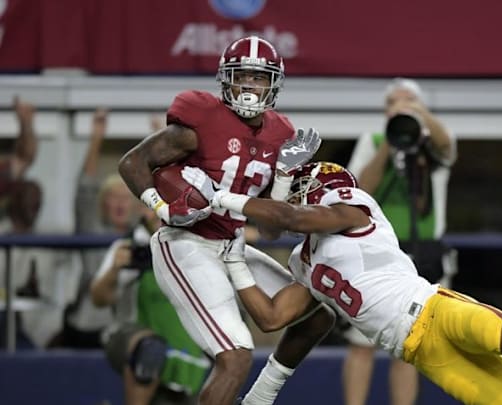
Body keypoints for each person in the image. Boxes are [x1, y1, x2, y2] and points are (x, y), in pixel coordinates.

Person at [180, 161, 502, 405]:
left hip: (431, 309)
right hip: (417, 351)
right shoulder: (302, 262)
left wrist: (220, 198)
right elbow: (270, 317)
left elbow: (294, 216)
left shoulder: (357, 209)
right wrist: (234, 259)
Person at [118, 36, 335, 405]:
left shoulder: (280, 133)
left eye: (259, 77)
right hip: (185, 243)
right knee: (234, 357)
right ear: (226, 79)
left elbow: (270, 230)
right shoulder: (199, 116)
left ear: (274, 85)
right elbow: (132, 163)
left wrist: (283, 175)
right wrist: (161, 206)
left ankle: (260, 398)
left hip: (232, 245)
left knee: (318, 316)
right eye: (243, 76)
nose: (250, 85)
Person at [345, 77, 456, 405]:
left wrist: (418, 115)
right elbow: (358, 189)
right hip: (378, 252)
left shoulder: (433, 142)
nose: (403, 106)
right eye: (396, 102)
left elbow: (447, 148)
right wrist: (388, 143)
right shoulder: (374, 138)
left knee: (408, 347)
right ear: (385, 110)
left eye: (410, 100)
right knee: (360, 343)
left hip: (424, 254)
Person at [90, 207, 211, 405]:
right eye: (153, 207)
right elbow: (99, 299)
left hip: (184, 348)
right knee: (150, 349)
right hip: (128, 336)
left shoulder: (194, 246)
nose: (159, 214)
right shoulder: (128, 247)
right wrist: (114, 269)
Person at [50, 107, 139, 349]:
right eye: (113, 197)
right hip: (87, 324)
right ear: (103, 203)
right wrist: (96, 136)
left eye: (125, 198)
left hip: (125, 324)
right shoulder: (94, 227)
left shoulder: (139, 232)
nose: (120, 203)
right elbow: (86, 189)